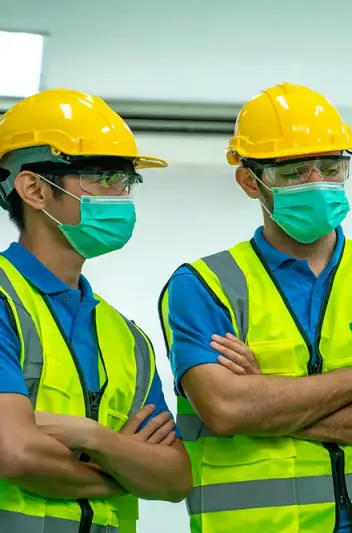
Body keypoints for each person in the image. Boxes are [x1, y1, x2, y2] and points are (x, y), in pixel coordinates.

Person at [159, 82, 352, 533]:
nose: (317, 183)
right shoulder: (202, 286)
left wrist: (268, 399)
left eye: (331, 166)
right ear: (249, 181)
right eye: (294, 172)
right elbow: (227, 411)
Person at [0, 89, 192, 533]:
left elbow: (174, 478)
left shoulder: (127, 336)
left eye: (127, 182)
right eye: (103, 177)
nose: (120, 195)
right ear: (33, 189)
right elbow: (16, 452)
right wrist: (124, 472)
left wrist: (93, 437)